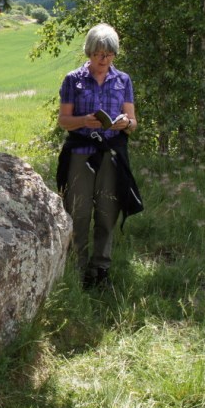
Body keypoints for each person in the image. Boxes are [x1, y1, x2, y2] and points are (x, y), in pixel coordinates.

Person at [55, 23, 143, 289]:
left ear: (115, 54)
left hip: (111, 155)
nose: (103, 60)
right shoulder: (73, 79)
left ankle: (101, 270)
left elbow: (133, 122)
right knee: (78, 213)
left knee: (106, 214)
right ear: (89, 52)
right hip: (81, 153)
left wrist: (124, 124)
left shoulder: (123, 80)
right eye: (98, 54)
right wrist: (84, 120)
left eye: (108, 54)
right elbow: (63, 120)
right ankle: (78, 270)